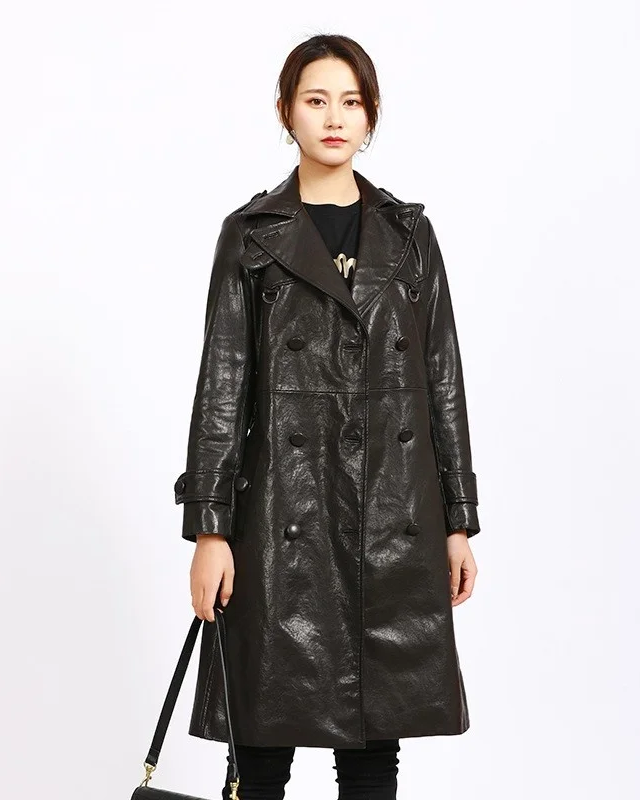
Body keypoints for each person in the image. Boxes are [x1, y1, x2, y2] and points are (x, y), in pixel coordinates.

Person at [174, 33, 482, 800]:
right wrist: (210, 529)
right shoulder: (251, 236)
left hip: (391, 518)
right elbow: (221, 387)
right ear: (287, 112)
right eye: (317, 100)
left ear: (371, 115)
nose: (335, 117)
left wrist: (457, 520)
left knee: (375, 747)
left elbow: (442, 378)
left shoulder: (410, 235)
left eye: (351, 101)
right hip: (280, 519)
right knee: (261, 750)